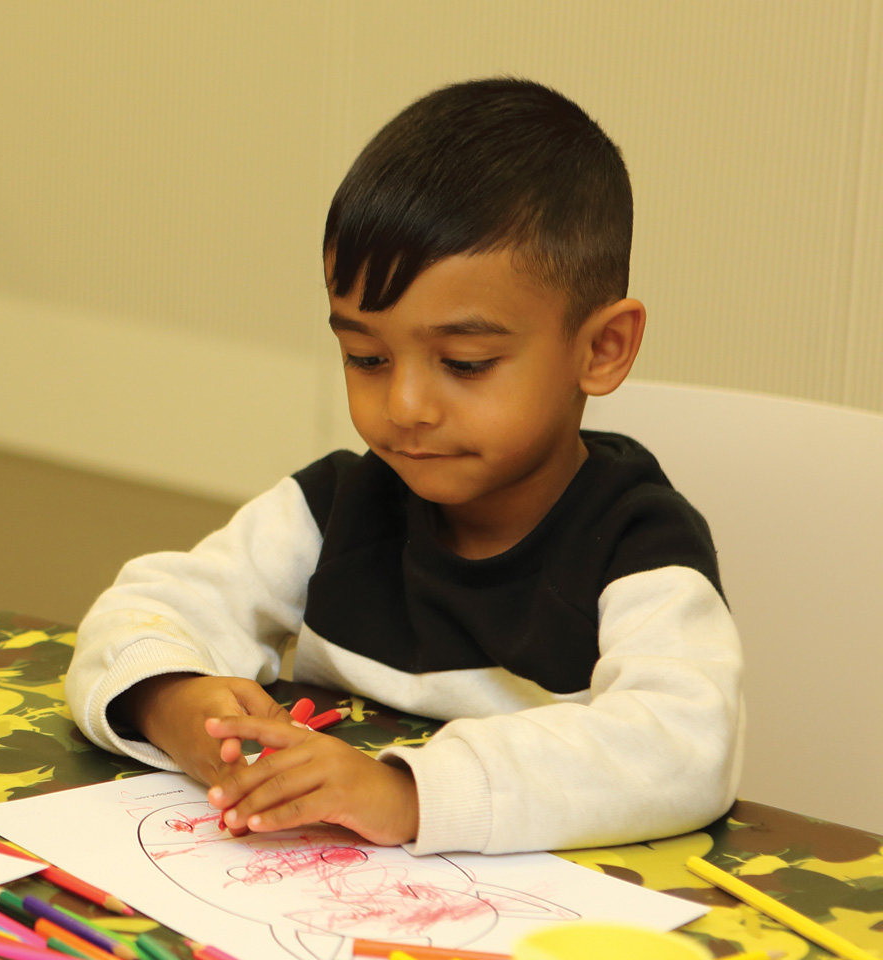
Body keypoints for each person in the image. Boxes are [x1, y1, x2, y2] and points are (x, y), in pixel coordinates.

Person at [66, 78, 742, 855]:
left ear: (601, 349)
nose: (407, 404)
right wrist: (175, 704)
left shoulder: (639, 544)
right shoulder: (336, 508)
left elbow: (682, 749)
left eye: (465, 362)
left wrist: (406, 793)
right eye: (367, 356)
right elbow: (144, 609)